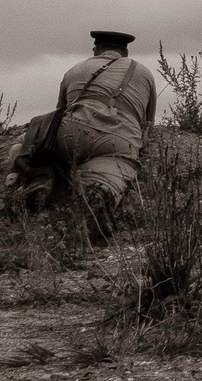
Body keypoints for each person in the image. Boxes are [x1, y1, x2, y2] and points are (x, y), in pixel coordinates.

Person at [8, 30, 158, 236]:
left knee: (23, 142)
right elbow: (147, 128)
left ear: (96, 50)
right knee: (105, 181)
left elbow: (57, 117)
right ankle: (96, 196)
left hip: (72, 131)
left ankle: (38, 175)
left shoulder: (75, 70)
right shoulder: (144, 73)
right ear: (125, 52)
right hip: (118, 141)